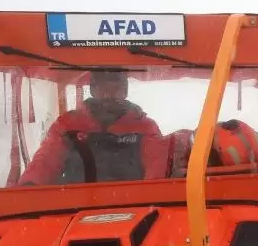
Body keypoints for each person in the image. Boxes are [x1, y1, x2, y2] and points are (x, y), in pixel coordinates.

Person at [19, 69, 164, 186]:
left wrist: (153, 194)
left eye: (116, 88)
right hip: (72, 207)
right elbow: (46, 161)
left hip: (135, 205)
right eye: (102, 87)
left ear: (125, 90)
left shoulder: (144, 127)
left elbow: (157, 168)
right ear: (92, 89)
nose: (108, 95)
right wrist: (29, 186)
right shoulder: (68, 125)